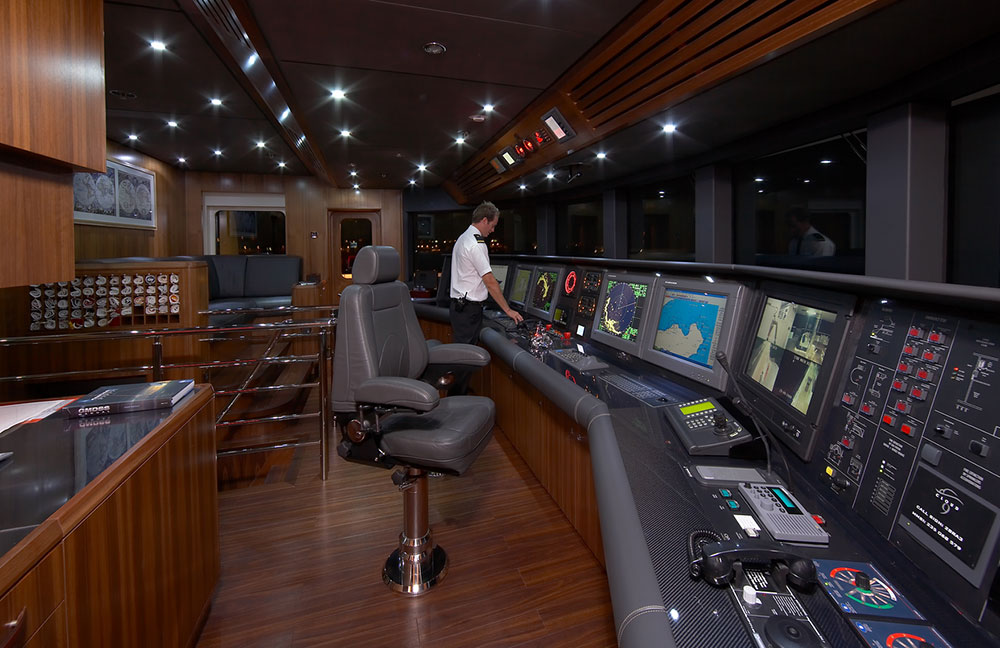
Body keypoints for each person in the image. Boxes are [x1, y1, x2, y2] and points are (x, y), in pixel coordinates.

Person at [449, 201, 523, 345]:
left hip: (460, 308)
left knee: (463, 354)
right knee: (466, 358)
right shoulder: (476, 243)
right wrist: (508, 311)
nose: (493, 230)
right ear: (484, 220)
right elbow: (489, 281)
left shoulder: (463, 238)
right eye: (492, 225)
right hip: (468, 311)